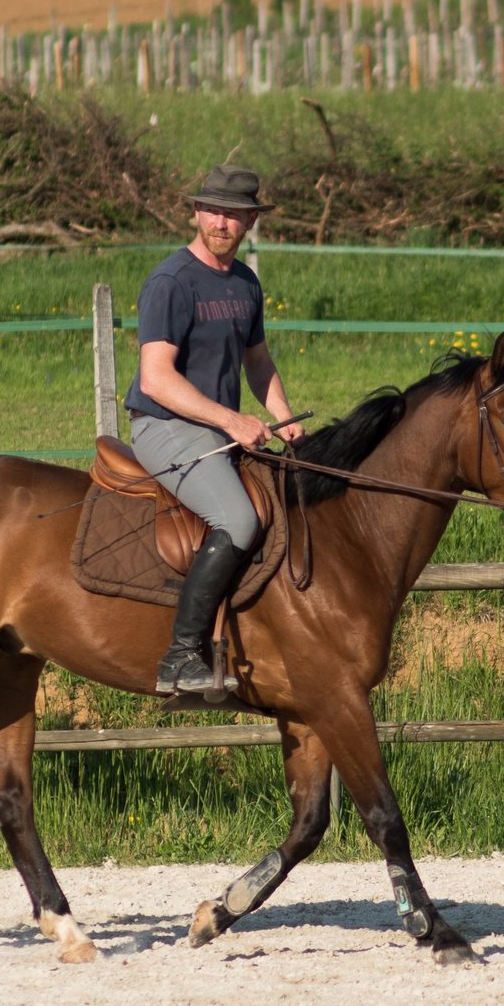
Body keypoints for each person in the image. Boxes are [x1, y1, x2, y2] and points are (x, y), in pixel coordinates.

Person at [124, 163, 306, 695]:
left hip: (218, 428)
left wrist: (283, 417)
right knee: (240, 521)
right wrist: (232, 418)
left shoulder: (246, 284)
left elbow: (258, 361)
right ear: (196, 211)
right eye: (212, 209)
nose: (220, 222)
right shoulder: (171, 282)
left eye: (232, 213)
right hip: (166, 426)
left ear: (250, 220)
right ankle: (180, 658)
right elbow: (156, 380)